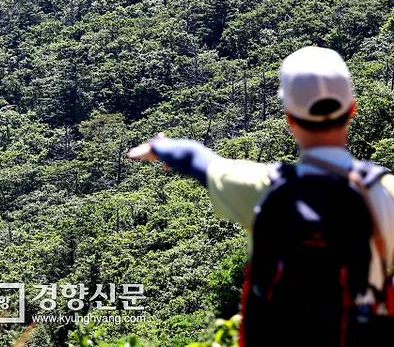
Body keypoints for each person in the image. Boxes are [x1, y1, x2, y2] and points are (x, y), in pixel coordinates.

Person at [128, 46, 394, 346]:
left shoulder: (263, 187)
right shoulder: (384, 191)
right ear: (352, 109)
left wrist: (159, 146)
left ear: (289, 119)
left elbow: (197, 159)